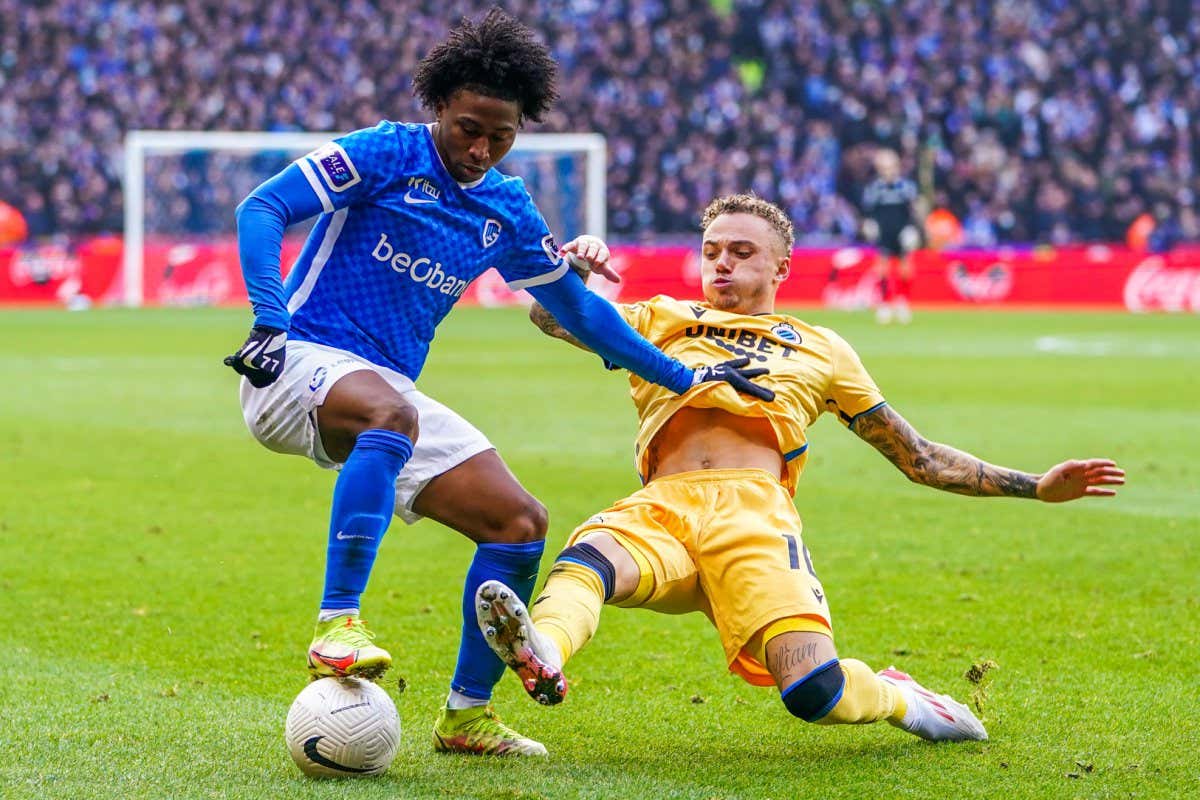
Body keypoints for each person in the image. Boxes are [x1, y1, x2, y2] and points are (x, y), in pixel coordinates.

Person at [222, 10, 770, 758]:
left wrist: (684, 377)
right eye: (467, 128)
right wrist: (268, 317)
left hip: (383, 393)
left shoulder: (504, 206)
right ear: (439, 107)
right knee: (390, 414)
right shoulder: (384, 154)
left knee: (518, 523)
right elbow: (264, 207)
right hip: (296, 361)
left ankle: (466, 716)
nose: (480, 148)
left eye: (500, 136)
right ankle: (336, 625)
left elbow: (578, 309)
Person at [473, 193, 1125, 745]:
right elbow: (552, 318)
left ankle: (899, 697)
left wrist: (1033, 486)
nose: (721, 262)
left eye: (741, 251)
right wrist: (573, 280)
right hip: (663, 507)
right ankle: (546, 652)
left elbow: (915, 456)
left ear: (782, 265)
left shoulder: (821, 347)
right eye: (712, 250)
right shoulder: (665, 317)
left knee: (815, 691)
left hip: (754, 518)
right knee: (588, 558)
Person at [861, 149, 921, 324]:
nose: (888, 171)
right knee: (882, 268)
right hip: (884, 232)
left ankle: (903, 301)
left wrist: (913, 229)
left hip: (902, 231)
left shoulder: (907, 187)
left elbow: (913, 211)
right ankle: (885, 303)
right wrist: (869, 224)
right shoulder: (874, 188)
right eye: (884, 168)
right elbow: (868, 211)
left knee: (905, 269)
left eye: (890, 167)